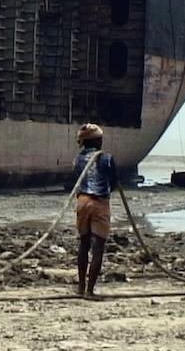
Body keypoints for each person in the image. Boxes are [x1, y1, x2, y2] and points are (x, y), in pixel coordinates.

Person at [68, 123, 119, 300]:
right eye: (100, 139)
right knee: (98, 247)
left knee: (83, 244)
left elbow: (75, 179)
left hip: (82, 201)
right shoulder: (107, 158)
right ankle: (90, 291)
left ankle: (81, 288)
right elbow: (114, 182)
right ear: (97, 141)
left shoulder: (78, 159)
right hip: (100, 202)